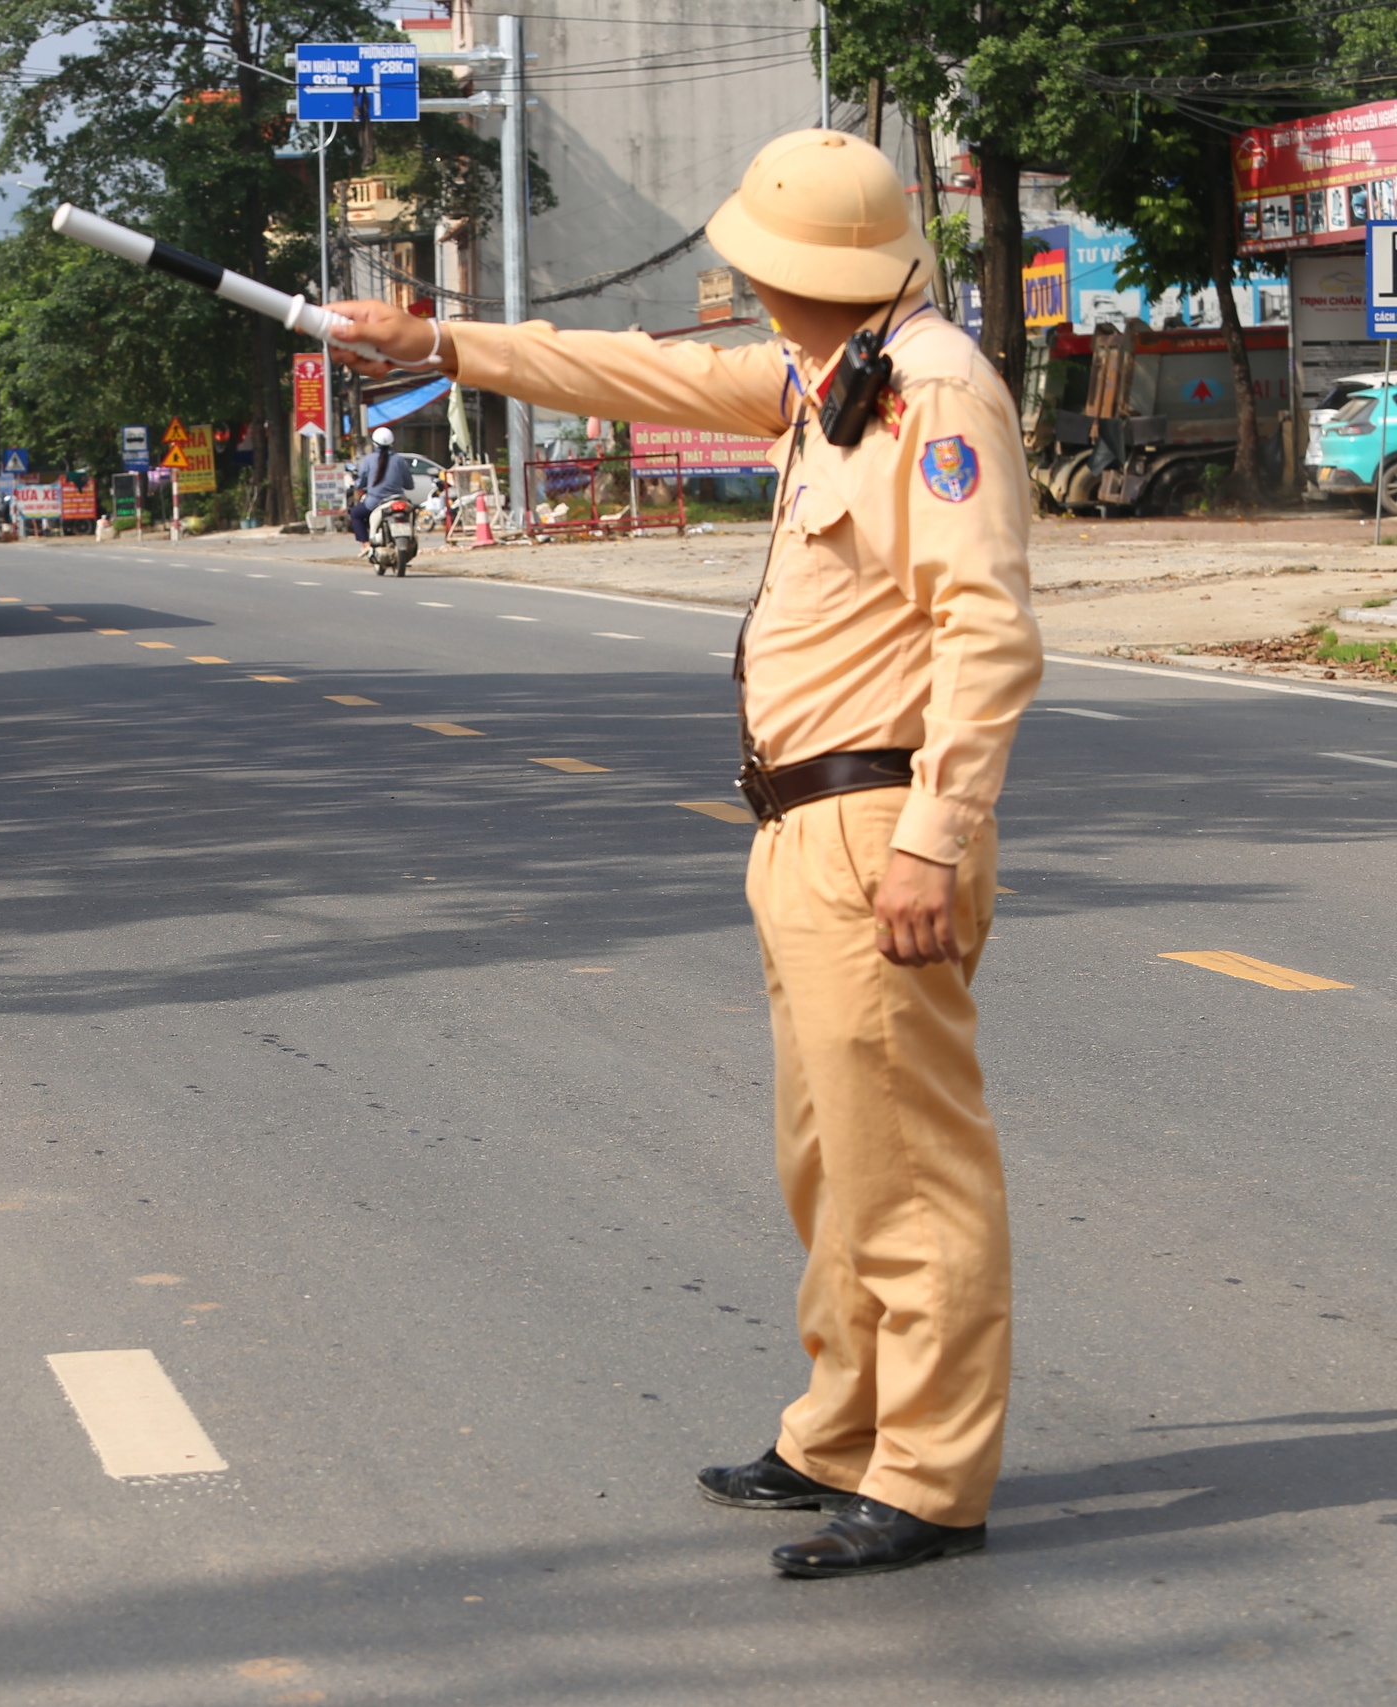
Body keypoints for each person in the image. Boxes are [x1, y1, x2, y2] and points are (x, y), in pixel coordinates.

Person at [321, 129, 1042, 1579]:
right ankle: (841, 1426)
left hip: (880, 826)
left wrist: (934, 838)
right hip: (800, 823)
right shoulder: (822, 380)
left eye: (764, 268)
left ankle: (932, 1472)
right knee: (832, 1162)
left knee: (909, 1168)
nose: (746, 289)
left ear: (812, 273)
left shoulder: (933, 389)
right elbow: (630, 370)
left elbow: (988, 629)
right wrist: (443, 338)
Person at [349, 425, 412, 553]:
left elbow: (361, 482)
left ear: (374, 443)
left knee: (355, 514)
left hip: (374, 503)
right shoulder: (399, 460)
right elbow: (409, 484)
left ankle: (366, 544)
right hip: (397, 500)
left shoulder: (369, 460)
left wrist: (354, 484)